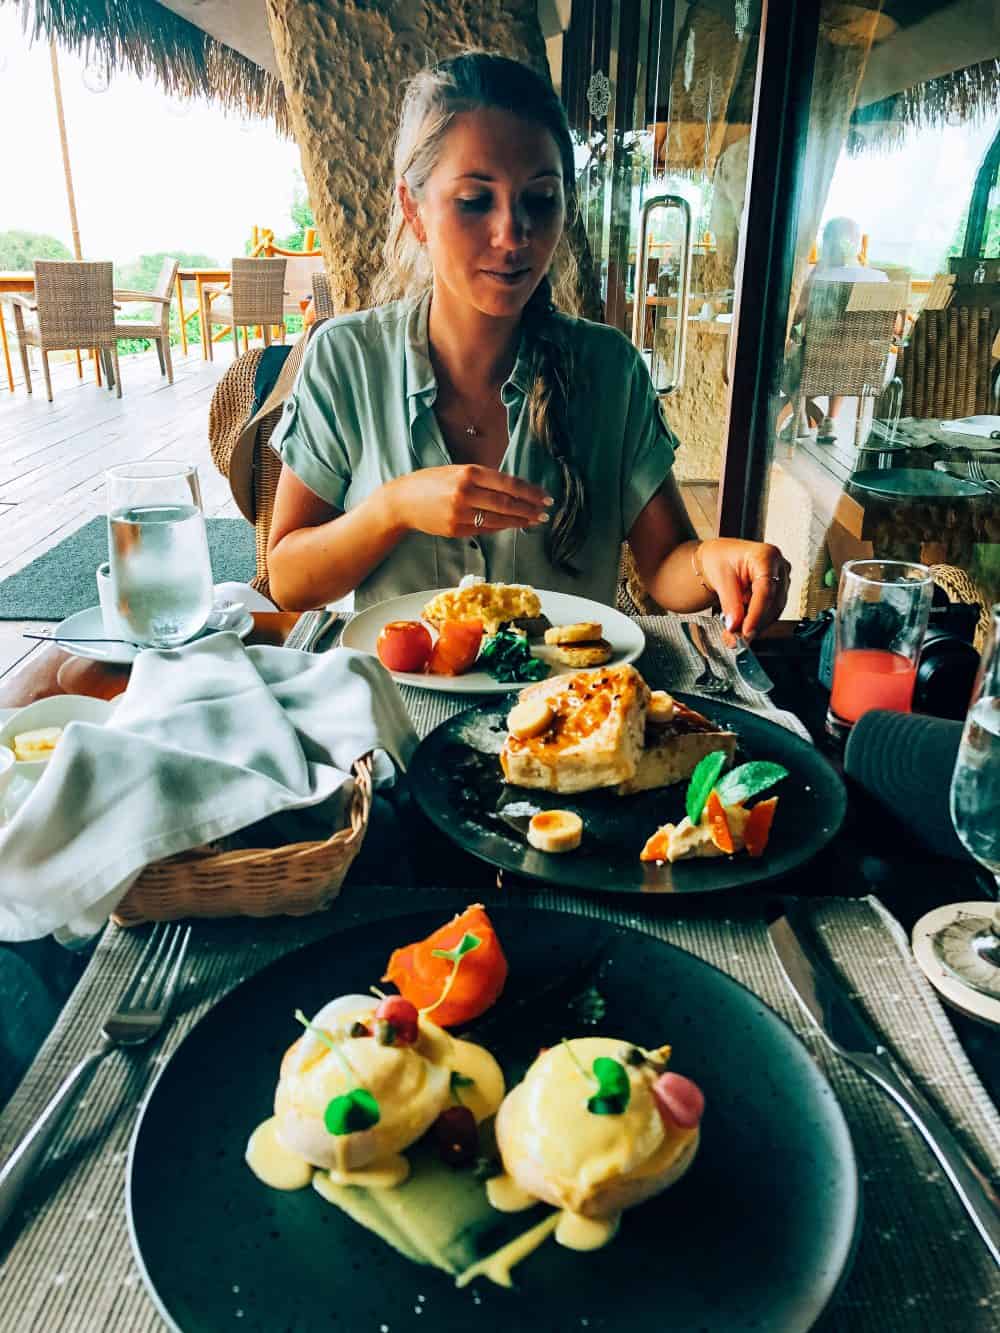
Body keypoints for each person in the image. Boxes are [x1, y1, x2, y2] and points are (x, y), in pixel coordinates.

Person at [266, 51, 790, 642]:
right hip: (395, 716)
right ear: (415, 211)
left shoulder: (609, 369)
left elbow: (664, 563)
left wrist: (714, 563)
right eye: (474, 200)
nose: (513, 234)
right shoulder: (347, 358)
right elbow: (288, 579)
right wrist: (393, 508)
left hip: (567, 720)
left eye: (540, 199)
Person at [787, 216, 891, 442]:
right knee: (848, 349)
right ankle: (830, 422)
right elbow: (894, 325)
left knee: (786, 358)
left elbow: (797, 315)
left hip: (816, 361)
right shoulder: (879, 279)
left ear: (827, 242)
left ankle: (800, 417)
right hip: (859, 364)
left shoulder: (819, 277)